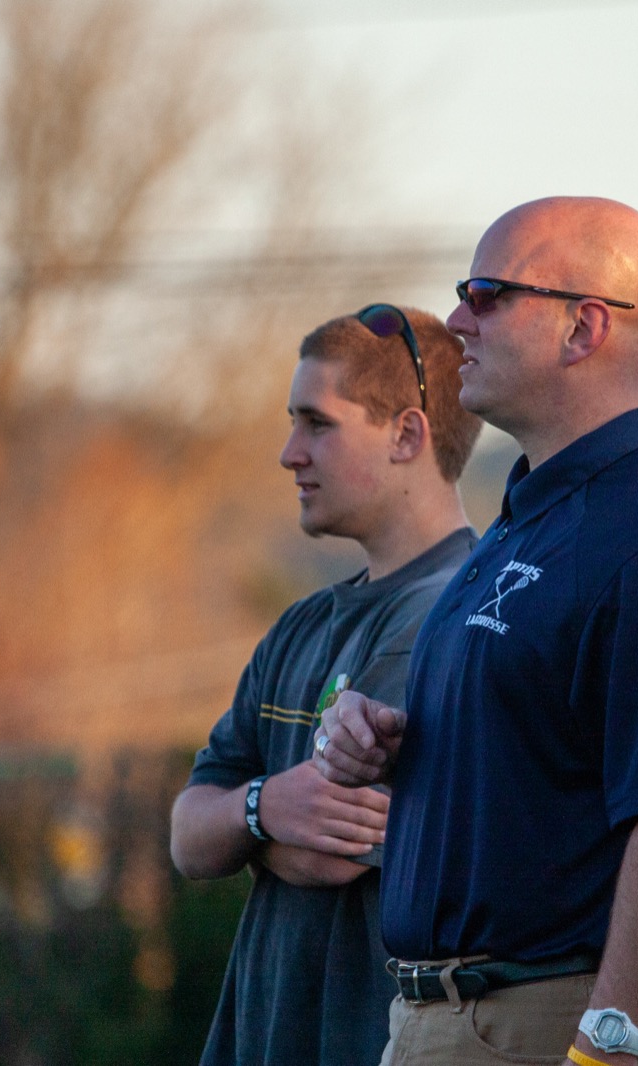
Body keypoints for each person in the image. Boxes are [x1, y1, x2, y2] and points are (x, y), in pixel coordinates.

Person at [313, 197, 638, 1066]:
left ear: (584, 328)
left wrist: (606, 1046)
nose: (457, 322)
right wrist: (392, 745)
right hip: (448, 1019)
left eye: (487, 295)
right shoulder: (532, 514)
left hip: (553, 1023)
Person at [169, 303, 483, 1066]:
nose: (289, 454)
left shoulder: (461, 614)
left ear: (406, 434)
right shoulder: (300, 625)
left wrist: (242, 825)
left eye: (317, 424)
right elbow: (187, 837)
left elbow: (336, 849)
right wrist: (263, 807)